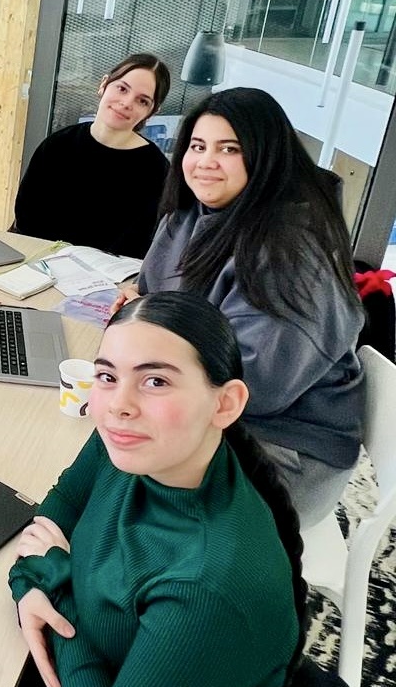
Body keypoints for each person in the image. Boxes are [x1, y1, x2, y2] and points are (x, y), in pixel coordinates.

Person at [0, 291, 306, 687]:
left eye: (155, 381)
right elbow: (65, 500)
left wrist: (55, 586)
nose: (119, 404)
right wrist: (32, 577)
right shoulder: (139, 445)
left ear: (225, 403)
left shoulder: (208, 585)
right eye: (107, 375)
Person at [118, 87, 364, 526]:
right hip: (209, 409)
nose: (206, 162)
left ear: (265, 157)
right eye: (197, 146)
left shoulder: (291, 250)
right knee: (100, 444)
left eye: (228, 149)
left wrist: (150, 349)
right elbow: (153, 294)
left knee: (122, 486)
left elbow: (257, 385)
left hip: (281, 449)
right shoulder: (191, 215)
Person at [13, 54, 170, 258]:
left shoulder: (157, 170)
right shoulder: (57, 145)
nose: (126, 103)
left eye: (142, 101)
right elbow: (27, 217)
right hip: (40, 261)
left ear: (152, 112)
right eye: (122, 89)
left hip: (111, 273)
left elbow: (144, 244)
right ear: (104, 84)